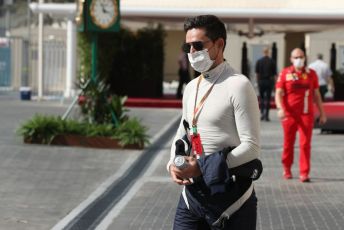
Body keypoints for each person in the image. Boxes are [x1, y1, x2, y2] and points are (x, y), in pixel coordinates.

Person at [167, 15, 261, 229]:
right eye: (187, 46)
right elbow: (183, 132)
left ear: (219, 44)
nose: (191, 52)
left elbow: (252, 147)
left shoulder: (238, 85)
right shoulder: (191, 87)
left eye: (198, 45)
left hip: (233, 201)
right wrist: (173, 162)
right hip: (192, 197)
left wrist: (201, 166)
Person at [275, 48, 327, 183]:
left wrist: (322, 113)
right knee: (288, 143)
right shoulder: (285, 73)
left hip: (306, 114)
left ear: (305, 58)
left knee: (305, 144)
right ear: (291, 59)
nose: (299, 59)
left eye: (301, 56)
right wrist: (280, 108)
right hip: (289, 114)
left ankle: (304, 172)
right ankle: (286, 168)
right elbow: (278, 93)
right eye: (296, 57)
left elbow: (317, 95)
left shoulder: (311, 74)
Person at [255, 47, 277, 121]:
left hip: (261, 81)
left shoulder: (259, 61)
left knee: (261, 99)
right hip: (269, 82)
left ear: (263, 52)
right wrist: (274, 84)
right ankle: (266, 116)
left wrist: (258, 82)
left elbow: (257, 74)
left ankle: (262, 114)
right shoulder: (272, 61)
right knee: (268, 99)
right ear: (269, 52)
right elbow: (274, 75)